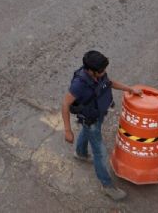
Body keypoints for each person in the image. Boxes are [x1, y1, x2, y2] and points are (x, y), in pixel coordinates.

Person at [61, 50, 143, 201]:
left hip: (97, 115)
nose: (104, 72)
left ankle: (80, 153)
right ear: (90, 71)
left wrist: (130, 89)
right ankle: (107, 186)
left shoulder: (98, 73)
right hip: (90, 118)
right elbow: (65, 103)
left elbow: (109, 83)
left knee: (87, 131)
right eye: (101, 71)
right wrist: (67, 130)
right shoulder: (79, 84)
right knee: (100, 152)